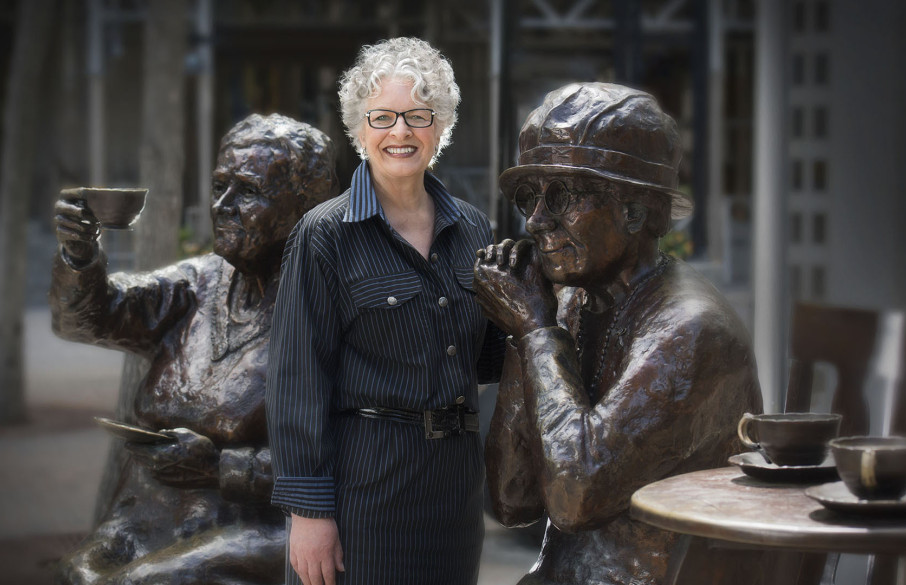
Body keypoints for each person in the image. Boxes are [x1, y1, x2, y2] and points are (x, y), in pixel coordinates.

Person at [473, 82, 763, 585]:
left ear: (634, 210)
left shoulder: (692, 332)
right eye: (528, 197)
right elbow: (513, 500)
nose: (536, 221)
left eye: (561, 195)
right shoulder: (572, 303)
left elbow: (576, 496)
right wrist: (525, 329)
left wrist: (535, 329)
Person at [49, 113, 339, 585]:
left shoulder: (331, 307)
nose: (222, 205)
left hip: (267, 526)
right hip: (152, 511)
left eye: (248, 191)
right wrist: (80, 257)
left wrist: (221, 467)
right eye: (219, 186)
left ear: (305, 208)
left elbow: (352, 457)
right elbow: (89, 318)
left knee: (143, 583)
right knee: (76, 575)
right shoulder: (197, 283)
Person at [265, 37, 506, 585]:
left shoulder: (472, 229)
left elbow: (487, 359)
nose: (401, 132)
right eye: (383, 117)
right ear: (360, 129)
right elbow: (297, 379)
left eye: (418, 116)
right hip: (365, 490)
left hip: (454, 490)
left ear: (440, 126)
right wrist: (309, 513)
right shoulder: (325, 235)